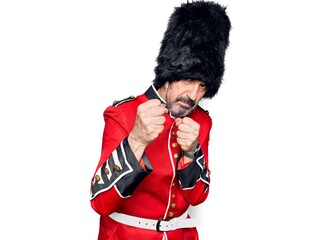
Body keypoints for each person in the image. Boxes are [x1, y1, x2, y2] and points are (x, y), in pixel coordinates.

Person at [90, 1, 231, 239]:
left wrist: (190, 153)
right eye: (189, 79)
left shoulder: (202, 122)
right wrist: (136, 139)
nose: (194, 96)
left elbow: (197, 197)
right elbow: (99, 204)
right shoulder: (123, 114)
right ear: (172, 71)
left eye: (202, 86)